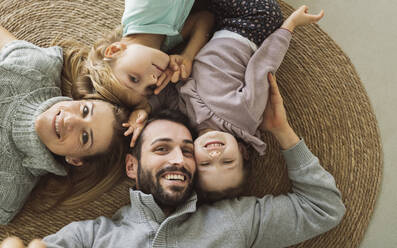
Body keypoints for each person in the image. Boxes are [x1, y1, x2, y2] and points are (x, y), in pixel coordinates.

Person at [1, 75, 345, 248]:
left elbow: (323, 208)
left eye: (187, 149)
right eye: (162, 149)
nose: (179, 159)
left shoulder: (236, 221)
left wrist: (282, 132)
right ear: (132, 168)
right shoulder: (92, 236)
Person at [130, 3, 325, 200]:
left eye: (206, 164)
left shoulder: (186, 119)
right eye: (228, 161)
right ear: (243, 152)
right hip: (252, 25)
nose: (215, 155)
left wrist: (143, 110)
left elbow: (165, 96)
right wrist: (289, 26)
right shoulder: (245, 116)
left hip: (213, 28)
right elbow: (263, 67)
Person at [0, 26, 131, 225]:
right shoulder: (34, 67)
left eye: (85, 137)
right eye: (85, 110)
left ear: (75, 159)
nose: (70, 121)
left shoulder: (9, 190)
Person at [57, 0, 214, 111]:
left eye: (134, 78)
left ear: (114, 51)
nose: (153, 79)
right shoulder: (164, 42)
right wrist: (187, 56)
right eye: (149, 88)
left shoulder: (144, 7)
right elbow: (204, 19)